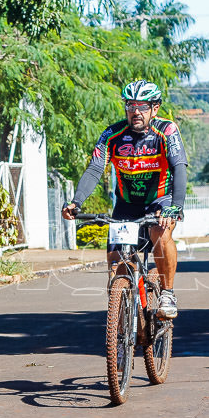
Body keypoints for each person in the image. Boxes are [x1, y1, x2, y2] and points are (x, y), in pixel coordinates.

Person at [61, 80, 187, 319]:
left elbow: (179, 168)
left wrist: (175, 208)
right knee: (117, 266)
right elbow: (95, 169)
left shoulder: (167, 130)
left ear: (155, 108)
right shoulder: (112, 134)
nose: (136, 112)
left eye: (142, 106)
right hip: (126, 205)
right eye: (130, 105)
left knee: (161, 233)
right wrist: (76, 202)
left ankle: (168, 293)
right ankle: (124, 314)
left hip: (160, 199)